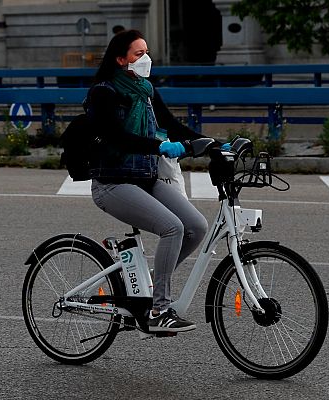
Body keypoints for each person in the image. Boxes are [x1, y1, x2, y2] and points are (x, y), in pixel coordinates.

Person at [86, 30, 213, 333]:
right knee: (173, 228)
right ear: (120, 59)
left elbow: (170, 124)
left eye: (146, 52)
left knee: (196, 227)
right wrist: (159, 146)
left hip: (144, 177)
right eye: (138, 54)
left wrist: (213, 144)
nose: (146, 59)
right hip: (112, 183)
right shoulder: (105, 92)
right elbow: (118, 137)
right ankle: (159, 309)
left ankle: (152, 282)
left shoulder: (145, 90)